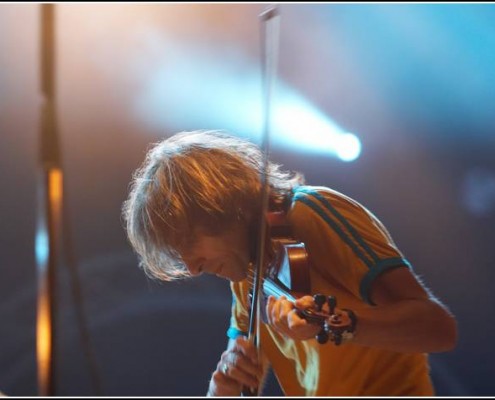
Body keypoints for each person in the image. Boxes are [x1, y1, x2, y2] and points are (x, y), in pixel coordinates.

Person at [122, 130, 457, 396]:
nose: (193, 268)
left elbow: (437, 328)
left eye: (188, 244)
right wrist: (221, 390)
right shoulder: (244, 272)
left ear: (219, 207)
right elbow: (239, 369)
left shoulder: (313, 214)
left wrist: (338, 324)